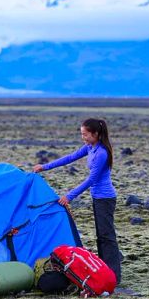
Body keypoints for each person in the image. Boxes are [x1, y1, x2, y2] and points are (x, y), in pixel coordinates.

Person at [32, 118, 122, 284]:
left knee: (106, 236)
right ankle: (105, 269)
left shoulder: (101, 153)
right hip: (98, 197)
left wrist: (69, 196)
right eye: (82, 134)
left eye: (85, 134)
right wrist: (44, 167)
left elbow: (91, 180)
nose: (83, 138)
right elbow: (70, 158)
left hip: (106, 198)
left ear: (96, 134)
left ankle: (114, 275)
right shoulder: (90, 147)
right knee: (101, 235)